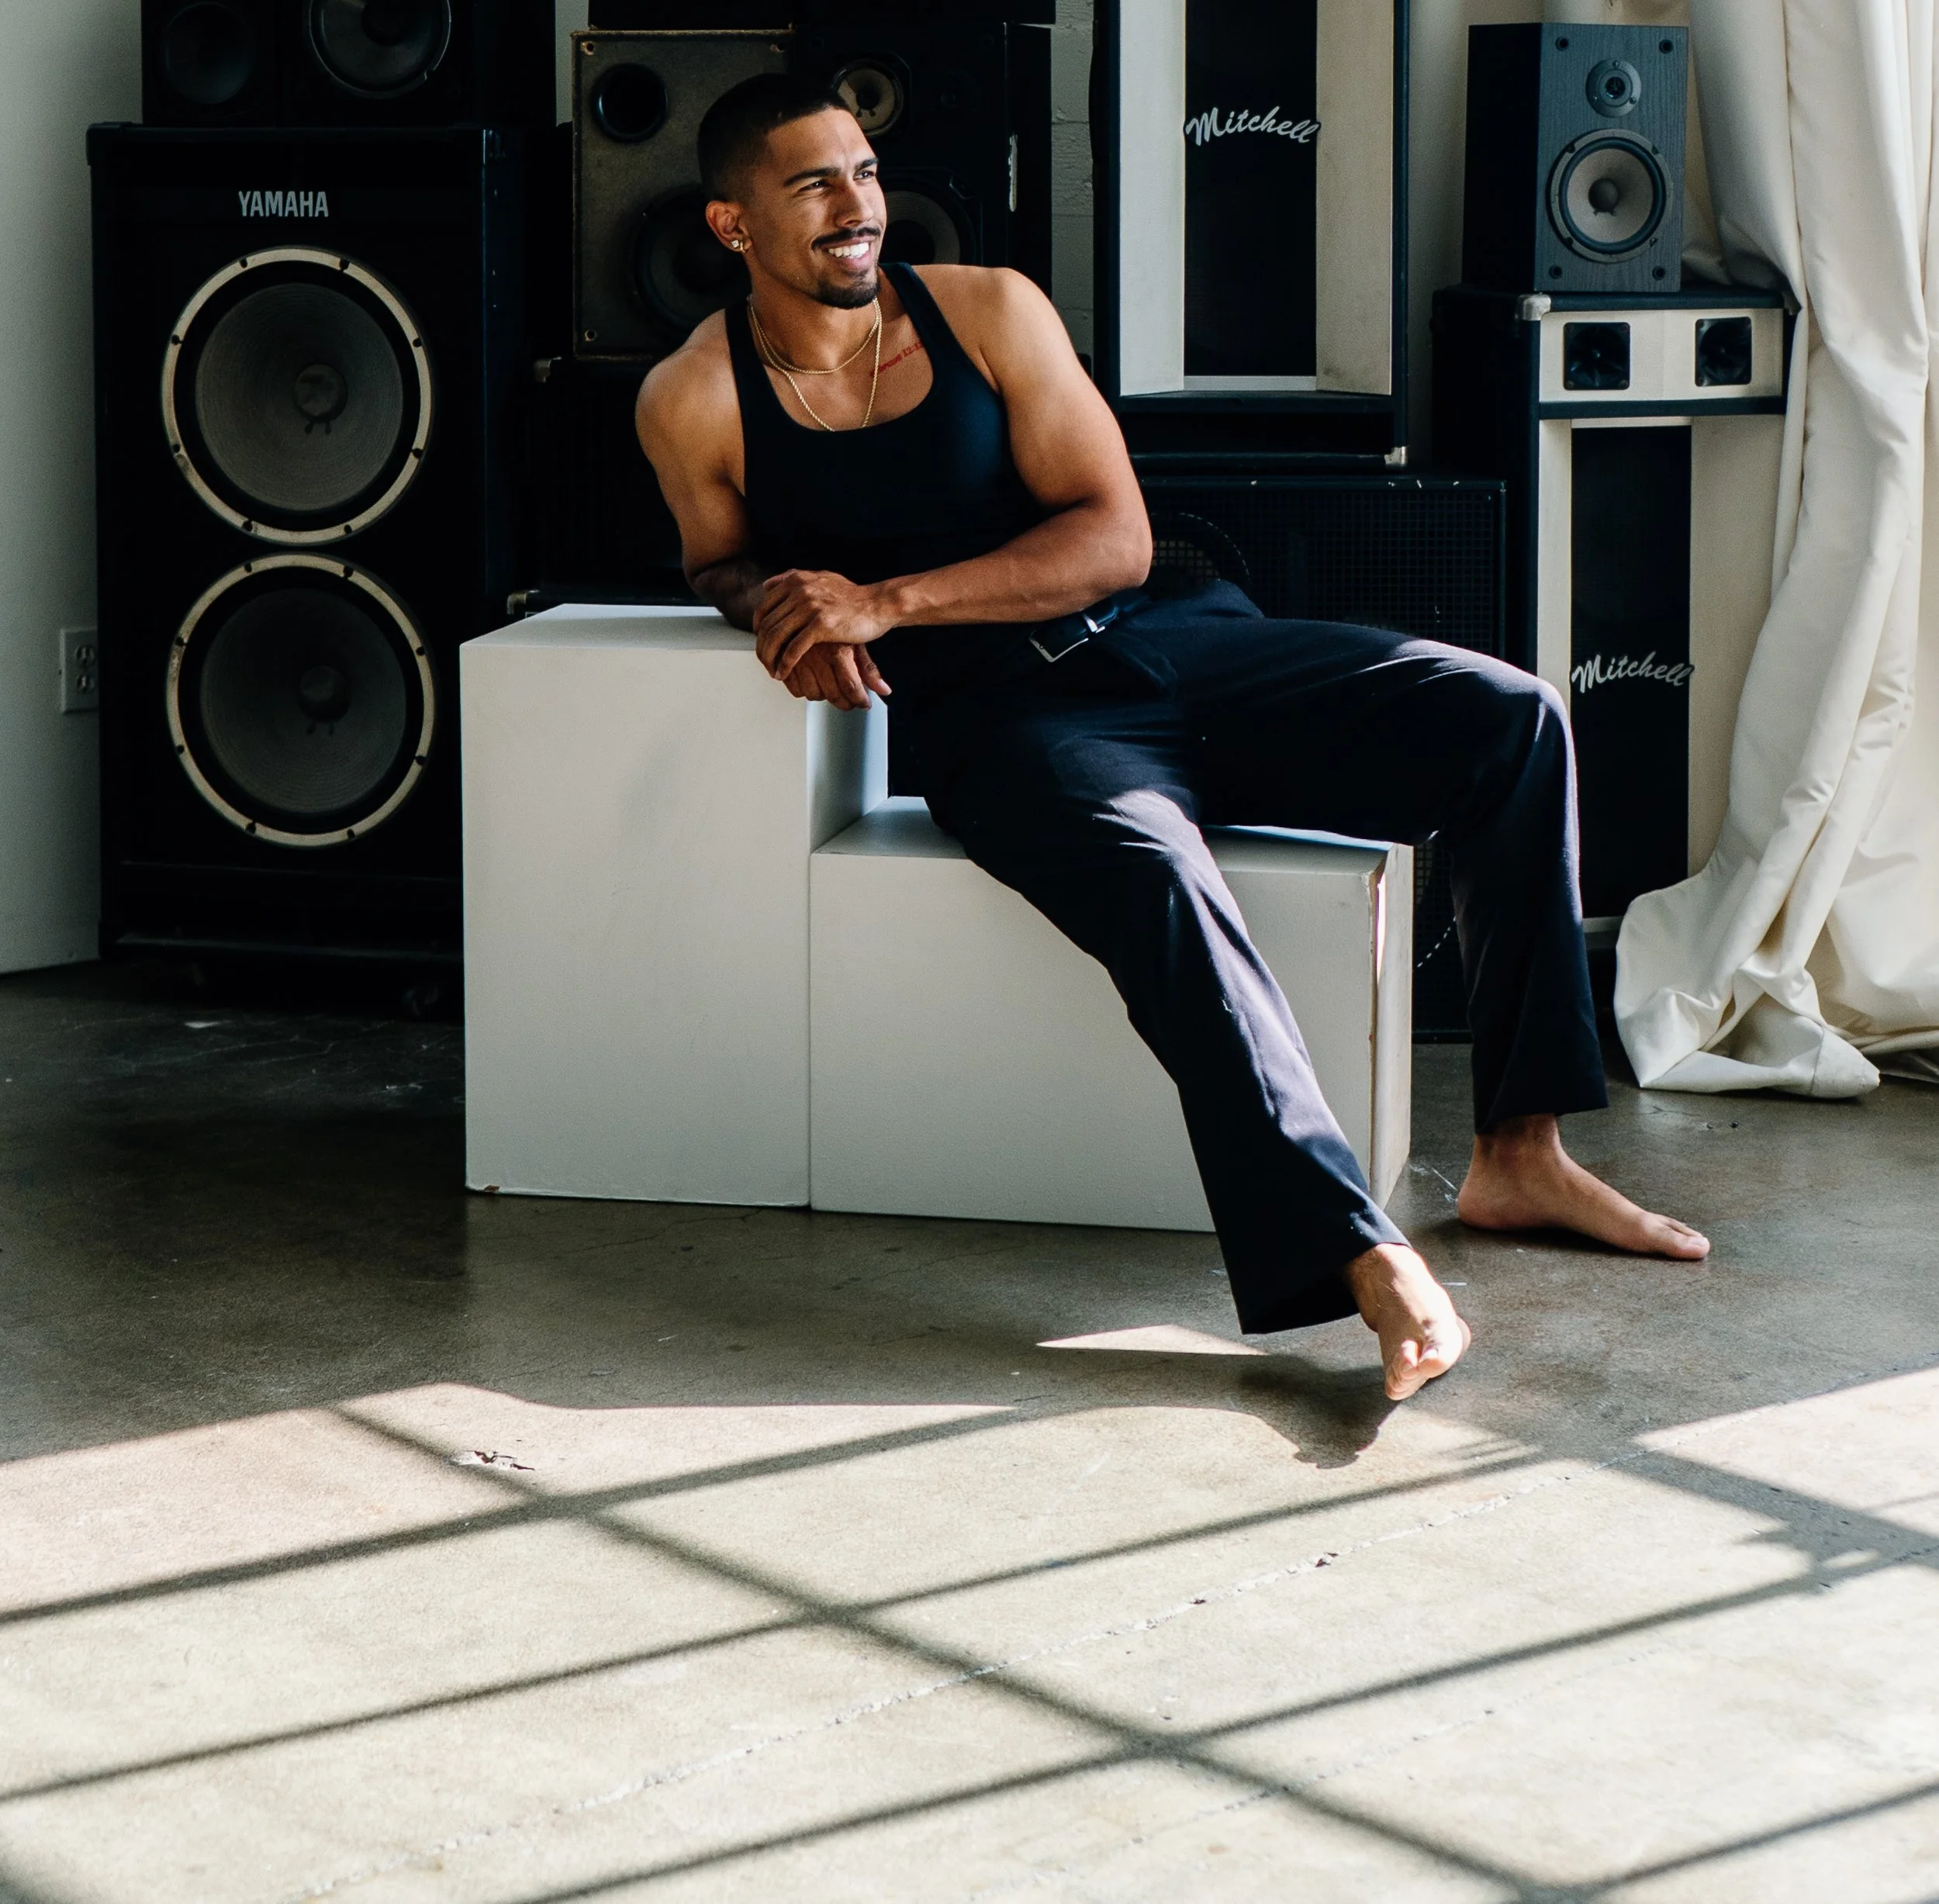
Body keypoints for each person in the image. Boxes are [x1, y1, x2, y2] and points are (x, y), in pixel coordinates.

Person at [637, 76, 1709, 1401]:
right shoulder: (694, 394)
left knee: (1511, 717)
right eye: (813, 185)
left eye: (862, 172)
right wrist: (776, 608)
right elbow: (717, 559)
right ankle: (1360, 1253)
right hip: (1005, 733)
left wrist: (887, 597)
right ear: (734, 225)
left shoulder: (985, 311)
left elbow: (1115, 536)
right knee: (1162, 884)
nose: (858, 207)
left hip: (1163, 644)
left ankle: (1520, 1150)